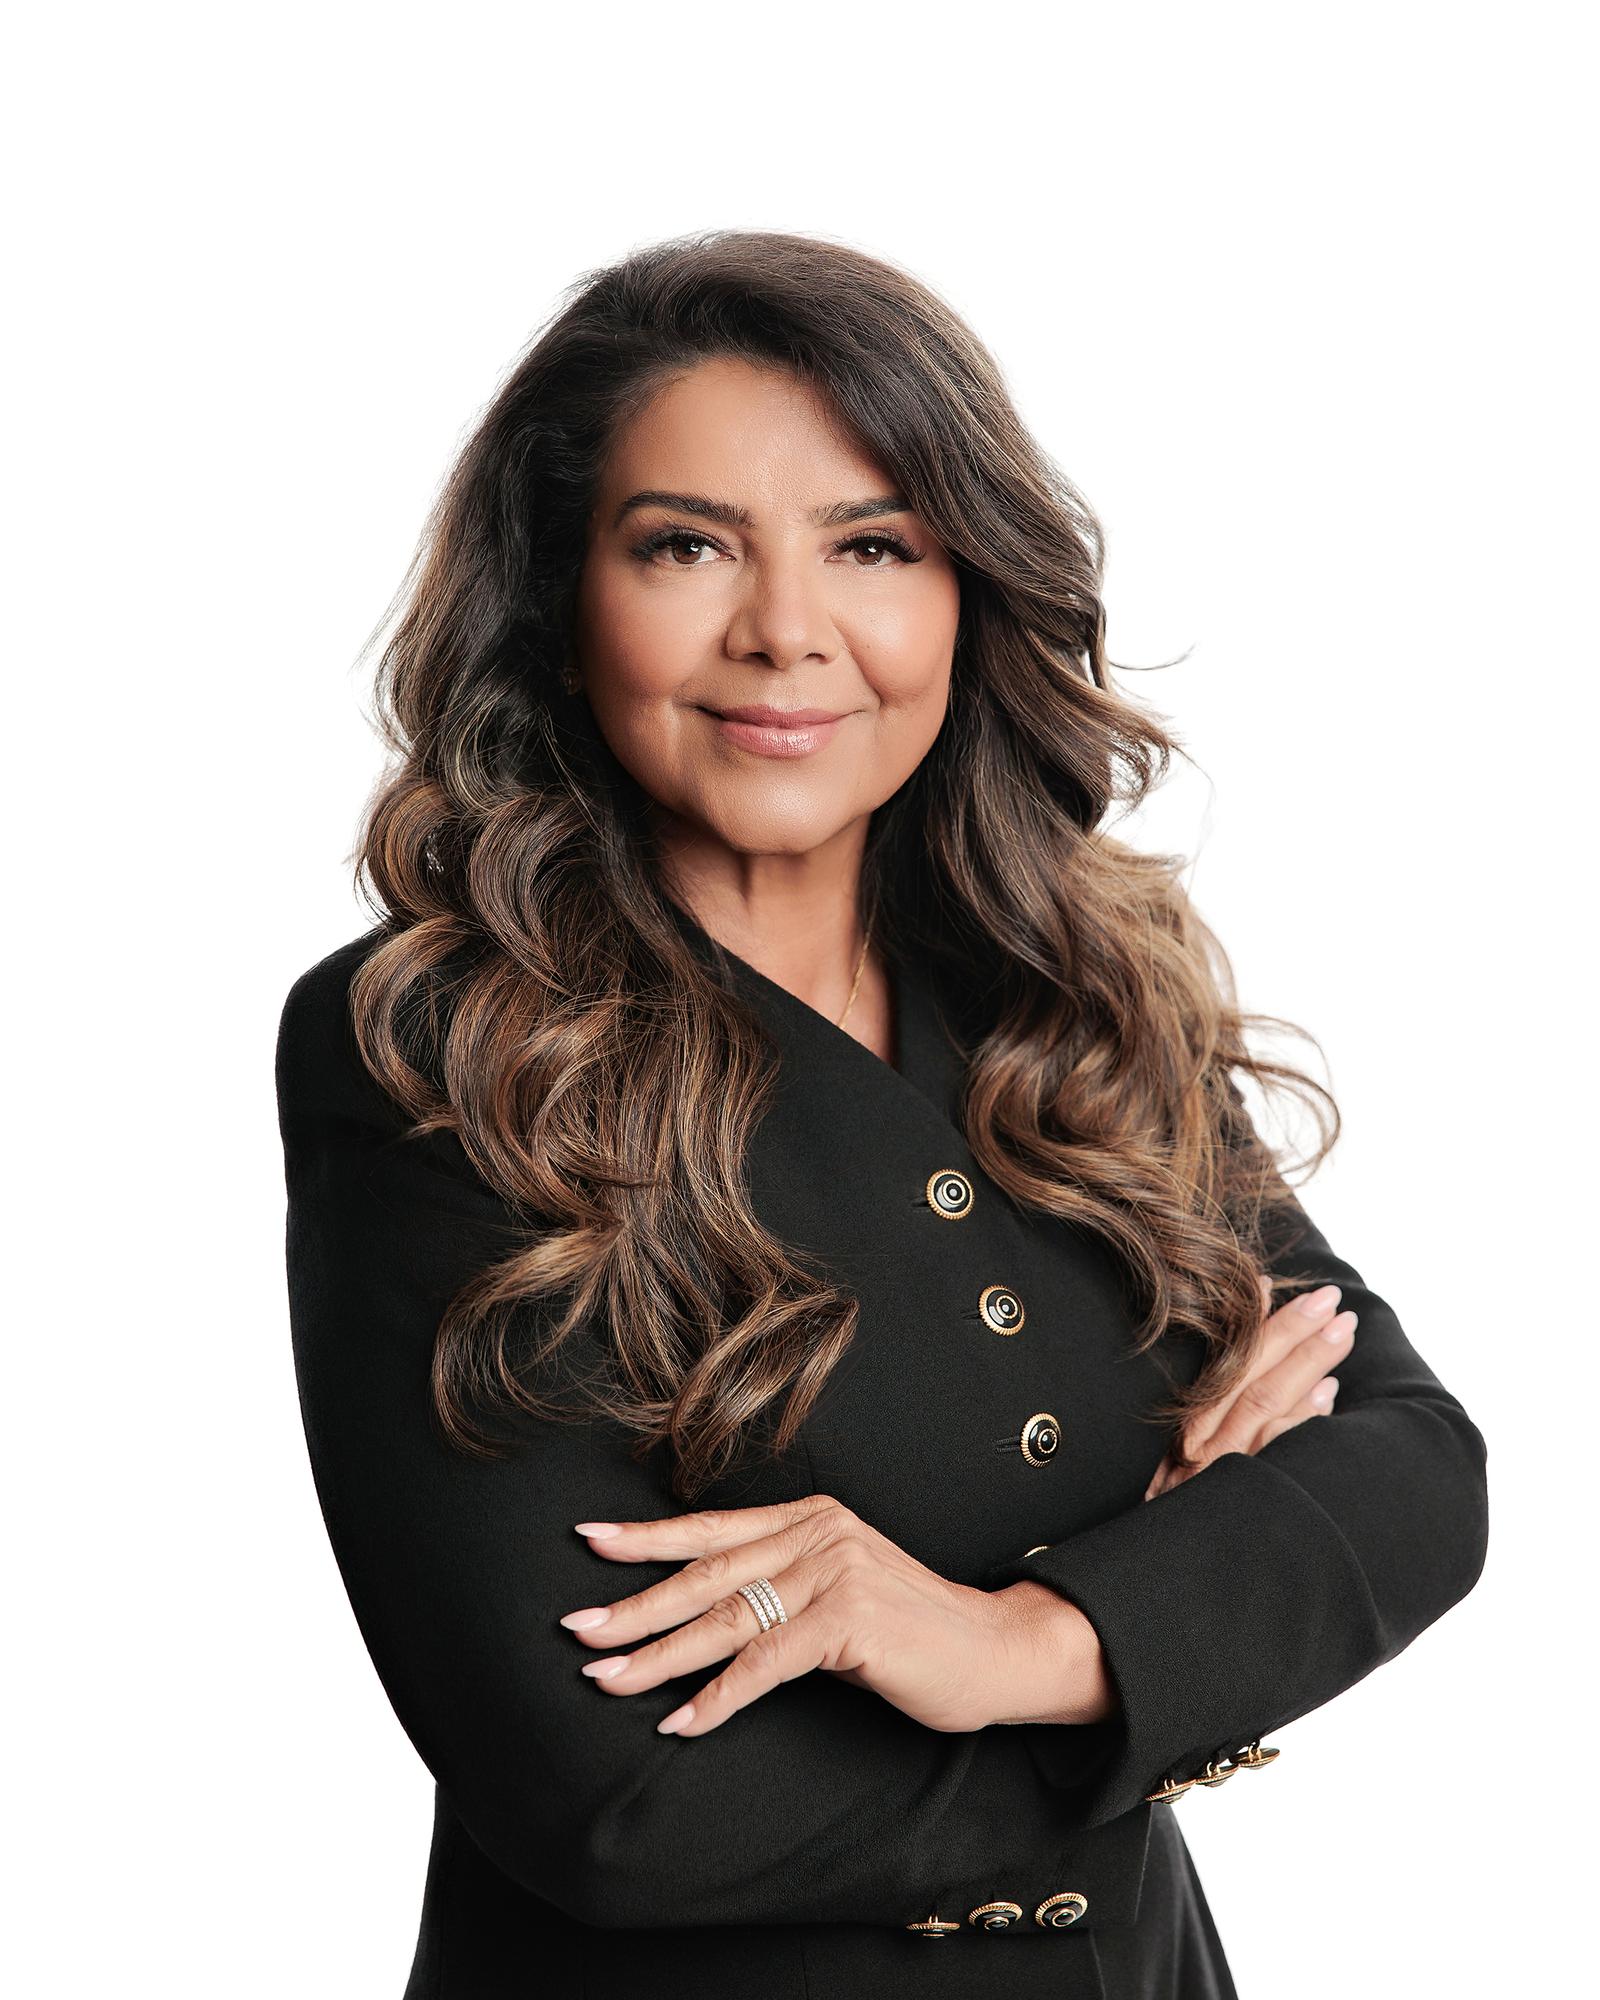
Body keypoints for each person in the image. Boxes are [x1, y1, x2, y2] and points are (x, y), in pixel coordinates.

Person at [274, 228, 1489, 1999]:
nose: (787, 632)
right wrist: (1168, 1624)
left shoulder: (1071, 978)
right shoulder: (439, 1048)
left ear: (966, 593)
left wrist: (1012, 1642)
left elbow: (1413, 1470)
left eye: (873, 546)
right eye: (685, 546)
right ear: (557, 597)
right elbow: (617, 1806)